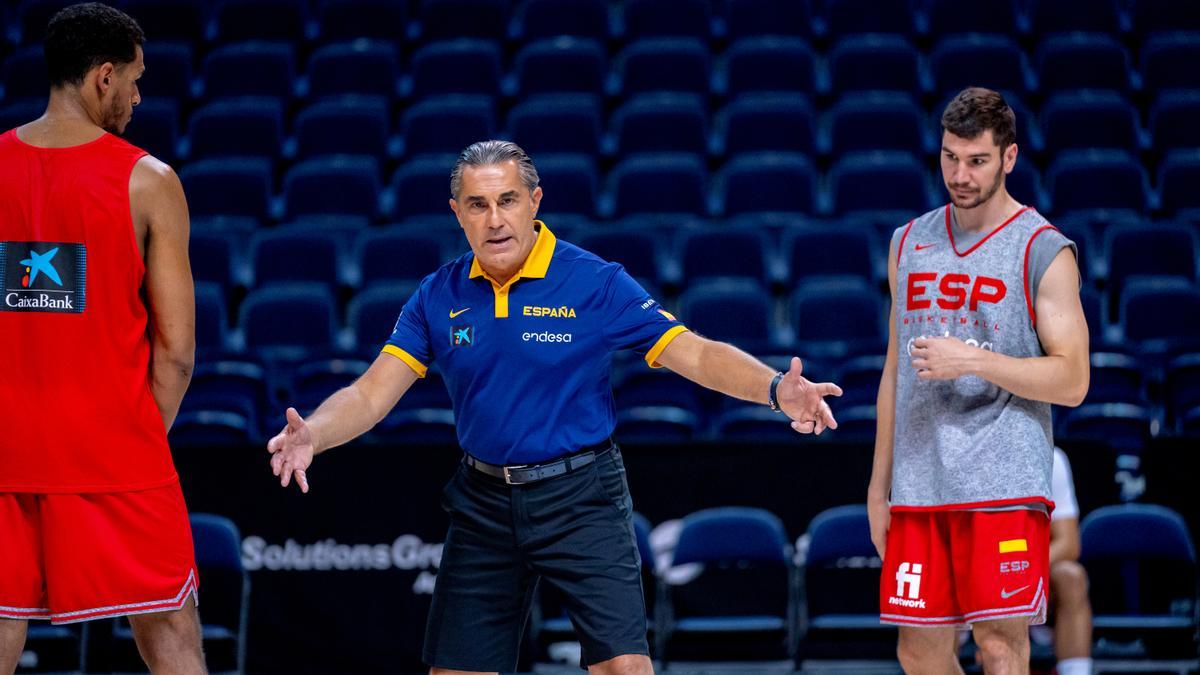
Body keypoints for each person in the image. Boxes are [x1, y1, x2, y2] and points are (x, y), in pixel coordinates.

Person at [267, 140, 843, 674]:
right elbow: (371, 393)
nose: (495, 219)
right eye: (478, 204)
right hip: (484, 503)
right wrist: (313, 434)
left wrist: (774, 389)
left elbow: (692, 352)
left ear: (534, 201)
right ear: (457, 212)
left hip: (581, 497)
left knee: (623, 669)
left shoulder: (594, 282)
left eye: (508, 200)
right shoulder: (436, 296)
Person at [0, 4, 202, 674]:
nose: (140, 97)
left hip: (6, 445)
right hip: (114, 448)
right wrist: (137, 435)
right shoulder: (150, 180)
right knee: (171, 631)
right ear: (103, 77)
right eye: (137, 81)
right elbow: (175, 352)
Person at [866, 88, 1090, 675]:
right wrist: (878, 486)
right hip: (919, 478)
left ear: (1009, 158)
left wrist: (974, 360)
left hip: (1002, 476)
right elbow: (895, 372)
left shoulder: (1043, 248)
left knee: (998, 645)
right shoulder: (907, 242)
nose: (960, 175)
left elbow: (1073, 380)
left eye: (977, 160)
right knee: (917, 650)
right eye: (949, 158)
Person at [1043, 447, 1093, 675]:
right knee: (942, 578)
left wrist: (1020, 571)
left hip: (1027, 566)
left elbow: (1069, 543)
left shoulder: (1052, 457)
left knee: (1071, 576)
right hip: (970, 564)